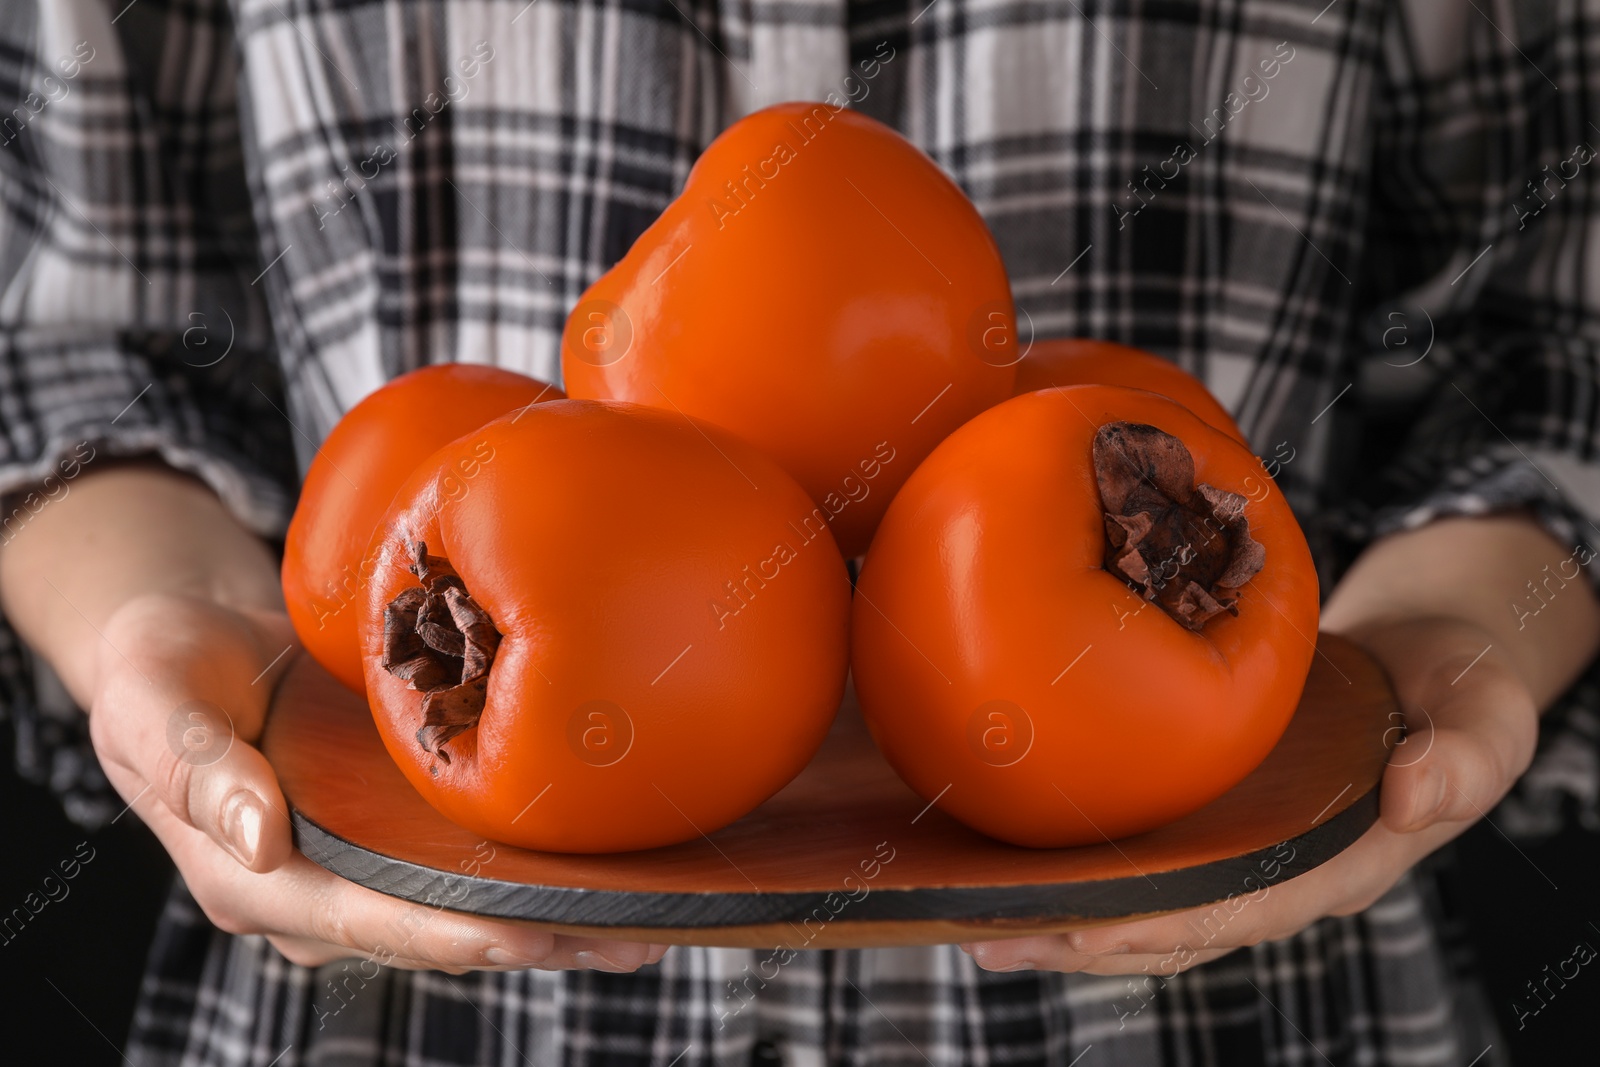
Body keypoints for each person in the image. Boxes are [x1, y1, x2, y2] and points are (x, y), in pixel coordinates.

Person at [1, 0, 1596, 1063]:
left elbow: (1559, 318)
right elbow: (73, 334)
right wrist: (146, 613)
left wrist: (1469, 620)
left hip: (1251, 1012)